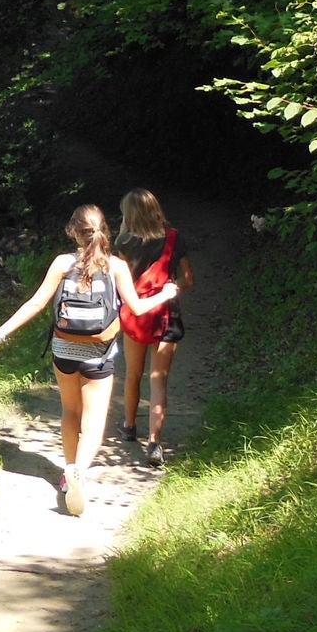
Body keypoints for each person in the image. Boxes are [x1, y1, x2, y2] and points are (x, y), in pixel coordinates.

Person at [0, 205, 180, 515]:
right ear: (105, 231)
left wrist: (0, 333)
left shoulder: (62, 263)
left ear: (74, 231)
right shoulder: (116, 266)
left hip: (64, 350)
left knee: (70, 410)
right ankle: (79, 473)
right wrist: (166, 294)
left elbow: (36, 303)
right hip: (98, 354)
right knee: (95, 419)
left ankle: (68, 468)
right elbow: (137, 309)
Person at [114, 188, 194, 466]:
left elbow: (120, 284)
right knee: (158, 379)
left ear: (130, 215)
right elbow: (187, 279)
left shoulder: (123, 243)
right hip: (166, 315)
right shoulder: (174, 237)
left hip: (136, 315)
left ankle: (128, 426)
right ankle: (154, 443)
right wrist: (171, 288)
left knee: (133, 375)